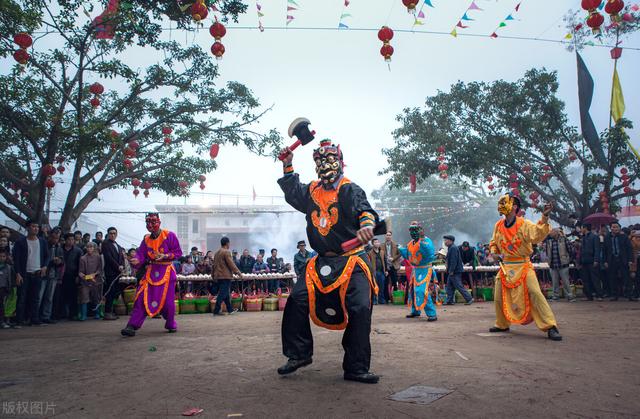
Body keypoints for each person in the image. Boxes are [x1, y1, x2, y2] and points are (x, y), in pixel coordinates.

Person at [276, 137, 380, 384]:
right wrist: (288, 165)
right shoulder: (312, 191)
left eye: (330, 159)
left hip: (352, 261)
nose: (325, 164)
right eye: (320, 160)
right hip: (319, 262)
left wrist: (366, 226)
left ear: (341, 162)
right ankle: (299, 354)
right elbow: (293, 192)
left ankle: (356, 367)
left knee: (361, 309)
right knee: (296, 300)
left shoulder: (349, 189)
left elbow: (365, 212)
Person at [488, 193, 562, 341]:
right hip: (506, 266)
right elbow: (493, 243)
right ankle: (502, 323)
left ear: (515, 207)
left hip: (523, 264)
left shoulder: (524, 224)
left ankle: (550, 326)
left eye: (506, 203)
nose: (502, 206)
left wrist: (545, 217)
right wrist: (494, 252)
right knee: (497, 297)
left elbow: (537, 235)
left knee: (535, 293)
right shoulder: (498, 225)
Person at [121, 213, 182, 337]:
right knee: (141, 297)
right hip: (151, 272)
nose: (151, 225)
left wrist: (165, 256)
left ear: (159, 222)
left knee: (168, 303)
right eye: (148, 223)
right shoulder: (146, 239)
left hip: (167, 272)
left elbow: (178, 252)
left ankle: (171, 323)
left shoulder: (169, 235)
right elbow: (141, 255)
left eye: (153, 222)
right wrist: (136, 260)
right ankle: (132, 325)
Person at [12, 219, 49, 326]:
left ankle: (34, 319)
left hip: (37, 273)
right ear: (28, 228)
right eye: (33, 226)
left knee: (35, 298)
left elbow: (47, 256)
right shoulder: (20, 242)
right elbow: (16, 259)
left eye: (37, 227)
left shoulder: (42, 241)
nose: (36, 228)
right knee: (22, 298)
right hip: (24, 274)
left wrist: (45, 267)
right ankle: (19, 320)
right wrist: (18, 273)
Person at [399, 223, 438, 320]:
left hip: (425, 269)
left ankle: (432, 314)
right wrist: (400, 248)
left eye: (415, 230)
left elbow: (430, 253)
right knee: (412, 291)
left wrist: (422, 238)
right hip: (416, 270)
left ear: (421, 231)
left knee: (421, 290)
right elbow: (408, 255)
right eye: (411, 231)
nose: (413, 233)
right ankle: (415, 311)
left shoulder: (426, 241)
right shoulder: (410, 243)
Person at [544, 229, 576, 302]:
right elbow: (547, 251)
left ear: (556, 233)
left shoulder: (564, 239)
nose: (550, 233)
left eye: (552, 232)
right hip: (553, 265)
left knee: (565, 281)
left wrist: (568, 259)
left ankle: (570, 296)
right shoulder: (549, 241)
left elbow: (571, 250)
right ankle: (555, 296)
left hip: (563, 264)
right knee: (554, 282)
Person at [212, 236, 242, 315]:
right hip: (225, 276)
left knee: (225, 293)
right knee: (223, 293)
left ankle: (230, 309)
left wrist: (213, 275)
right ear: (227, 243)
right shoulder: (226, 252)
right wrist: (238, 272)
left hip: (218, 276)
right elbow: (231, 264)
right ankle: (216, 310)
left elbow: (213, 265)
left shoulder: (216, 253)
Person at [604, 221, 633, 301]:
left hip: (623, 259)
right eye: (613, 227)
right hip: (611, 259)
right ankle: (614, 295)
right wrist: (605, 261)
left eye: (617, 227)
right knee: (612, 278)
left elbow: (629, 249)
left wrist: (630, 260)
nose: (615, 228)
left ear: (619, 228)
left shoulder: (624, 237)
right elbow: (604, 250)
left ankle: (629, 294)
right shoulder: (607, 237)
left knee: (626, 277)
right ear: (611, 228)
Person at [40, 227, 63, 324]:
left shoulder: (59, 248)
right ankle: (34, 316)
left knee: (49, 297)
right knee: (39, 296)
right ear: (50, 236)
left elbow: (62, 261)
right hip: (43, 274)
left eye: (57, 238)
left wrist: (59, 261)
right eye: (53, 237)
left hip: (54, 275)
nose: (55, 240)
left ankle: (46, 316)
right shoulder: (43, 245)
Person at [101, 227, 125, 320]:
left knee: (116, 291)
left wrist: (122, 266)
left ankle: (111, 311)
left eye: (114, 233)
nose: (113, 235)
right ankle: (107, 312)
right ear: (108, 234)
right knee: (110, 292)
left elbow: (122, 257)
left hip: (118, 272)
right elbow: (108, 258)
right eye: (111, 233)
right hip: (110, 272)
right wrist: (117, 266)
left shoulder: (118, 246)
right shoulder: (105, 244)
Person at [443, 235, 473, 305]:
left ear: (450, 241)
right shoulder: (451, 247)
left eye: (446, 240)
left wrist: (451, 270)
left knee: (458, 286)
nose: (445, 242)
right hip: (454, 270)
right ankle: (449, 300)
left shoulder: (453, 248)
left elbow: (454, 260)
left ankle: (469, 298)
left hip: (455, 271)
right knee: (449, 286)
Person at [77, 242, 103, 321]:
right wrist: (82, 275)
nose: (89, 248)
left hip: (96, 280)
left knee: (96, 298)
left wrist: (95, 274)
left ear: (94, 248)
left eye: (91, 247)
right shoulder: (82, 258)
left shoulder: (98, 257)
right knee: (84, 298)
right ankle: (83, 315)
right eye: (88, 247)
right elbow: (80, 271)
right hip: (85, 281)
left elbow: (100, 269)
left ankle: (97, 313)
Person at [578, 223, 603, 301]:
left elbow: (597, 249)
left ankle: (599, 295)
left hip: (592, 260)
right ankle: (589, 296)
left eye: (581, 228)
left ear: (585, 228)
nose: (581, 229)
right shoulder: (583, 237)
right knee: (586, 279)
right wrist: (580, 261)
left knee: (595, 278)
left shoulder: (594, 236)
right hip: (584, 261)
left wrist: (596, 260)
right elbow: (581, 250)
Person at [61, 232, 83, 320]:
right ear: (65, 240)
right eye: (69, 239)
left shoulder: (78, 251)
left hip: (73, 275)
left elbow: (80, 264)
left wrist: (78, 275)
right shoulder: (60, 249)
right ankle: (61, 313)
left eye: (72, 239)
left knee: (73, 295)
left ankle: (72, 314)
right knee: (61, 295)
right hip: (61, 275)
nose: (71, 241)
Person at [0, 249, 16, 329]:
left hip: (3, 289)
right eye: (0, 256)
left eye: (3, 256)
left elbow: (9, 279)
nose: (1, 258)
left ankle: (2, 321)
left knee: (2, 306)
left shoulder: (8, 267)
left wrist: (8, 288)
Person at [368, 238, 387, 304]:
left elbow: (385, 261)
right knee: (374, 286)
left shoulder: (382, 252)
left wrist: (386, 270)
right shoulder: (370, 253)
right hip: (374, 272)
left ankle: (381, 300)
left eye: (378, 242)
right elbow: (368, 263)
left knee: (382, 287)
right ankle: (374, 300)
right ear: (373, 244)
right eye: (375, 242)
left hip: (381, 272)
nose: (377, 243)